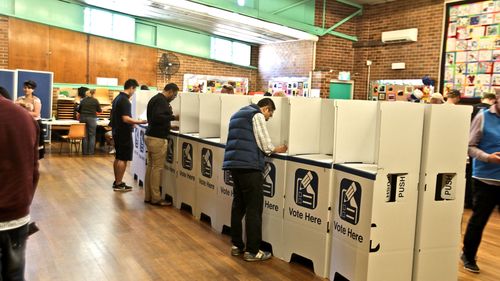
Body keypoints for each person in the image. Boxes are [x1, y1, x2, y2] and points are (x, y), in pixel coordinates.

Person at [223, 98, 288, 262]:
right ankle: (253, 251)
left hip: (234, 165)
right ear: (266, 109)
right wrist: (276, 149)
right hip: (249, 167)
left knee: (238, 206)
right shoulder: (256, 115)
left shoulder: (237, 114)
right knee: (254, 208)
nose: (268, 118)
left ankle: (237, 245)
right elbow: (264, 144)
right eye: (269, 115)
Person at [0, 90, 39, 281]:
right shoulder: (23, 117)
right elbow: (34, 170)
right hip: (17, 215)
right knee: (15, 275)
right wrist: (23, 203)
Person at [461, 90, 500, 273]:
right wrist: (487, 157)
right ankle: (468, 255)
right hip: (485, 179)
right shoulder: (483, 117)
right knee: (479, 221)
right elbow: (469, 146)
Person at [144, 83, 179, 206]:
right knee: (157, 169)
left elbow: (155, 118)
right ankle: (156, 198)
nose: (173, 98)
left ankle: (148, 196)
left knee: (151, 167)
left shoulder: (155, 99)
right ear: (170, 91)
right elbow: (158, 117)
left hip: (150, 135)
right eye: (174, 95)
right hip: (157, 138)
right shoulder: (161, 101)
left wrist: (169, 126)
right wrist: (173, 117)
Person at [110, 79, 147, 192]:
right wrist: (140, 122)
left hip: (117, 131)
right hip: (123, 133)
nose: (134, 92)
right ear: (131, 87)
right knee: (123, 158)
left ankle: (117, 181)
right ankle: (119, 184)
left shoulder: (117, 98)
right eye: (134, 89)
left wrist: (133, 124)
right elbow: (125, 118)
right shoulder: (125, 100)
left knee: (118, 157)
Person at [15, 80, 45, 159]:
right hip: (23, 123)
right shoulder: (19, 99)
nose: (27, 89)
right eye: (25, 87)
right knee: (23, 142)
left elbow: (36, 113)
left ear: (33, 89)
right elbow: (15, 110)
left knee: (34, 143)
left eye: (29, 88)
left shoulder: (36, 100)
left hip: (34, 123)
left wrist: (23, 112)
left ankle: (34, 161)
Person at [77, 88, 102, 155]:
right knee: (92, 135)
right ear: (93, 93)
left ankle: (84, 152)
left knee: (84, 135)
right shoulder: (95, 100)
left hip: (83, 118)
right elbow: (99, 110)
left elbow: (79, 110)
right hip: (92, 119)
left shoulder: (83, 100)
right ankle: (91, 152)